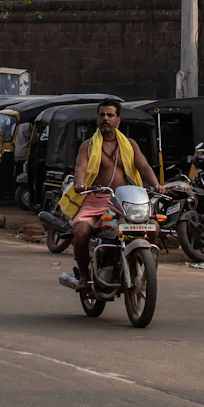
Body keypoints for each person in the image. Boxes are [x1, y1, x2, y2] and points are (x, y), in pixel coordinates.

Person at [60, 99, 161, 292]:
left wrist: (156, 185)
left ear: (118, 120)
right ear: (97, 119)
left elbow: (144, 167)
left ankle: (143, 265)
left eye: (110, 115)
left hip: (126, 202)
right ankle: (84, 276)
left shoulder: (130, 145)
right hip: (96, 199)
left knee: (153, 227)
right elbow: (80, 168)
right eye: (102, 115)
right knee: (81, 232)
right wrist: (79, 183)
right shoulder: (88, 146)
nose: (105, 118)